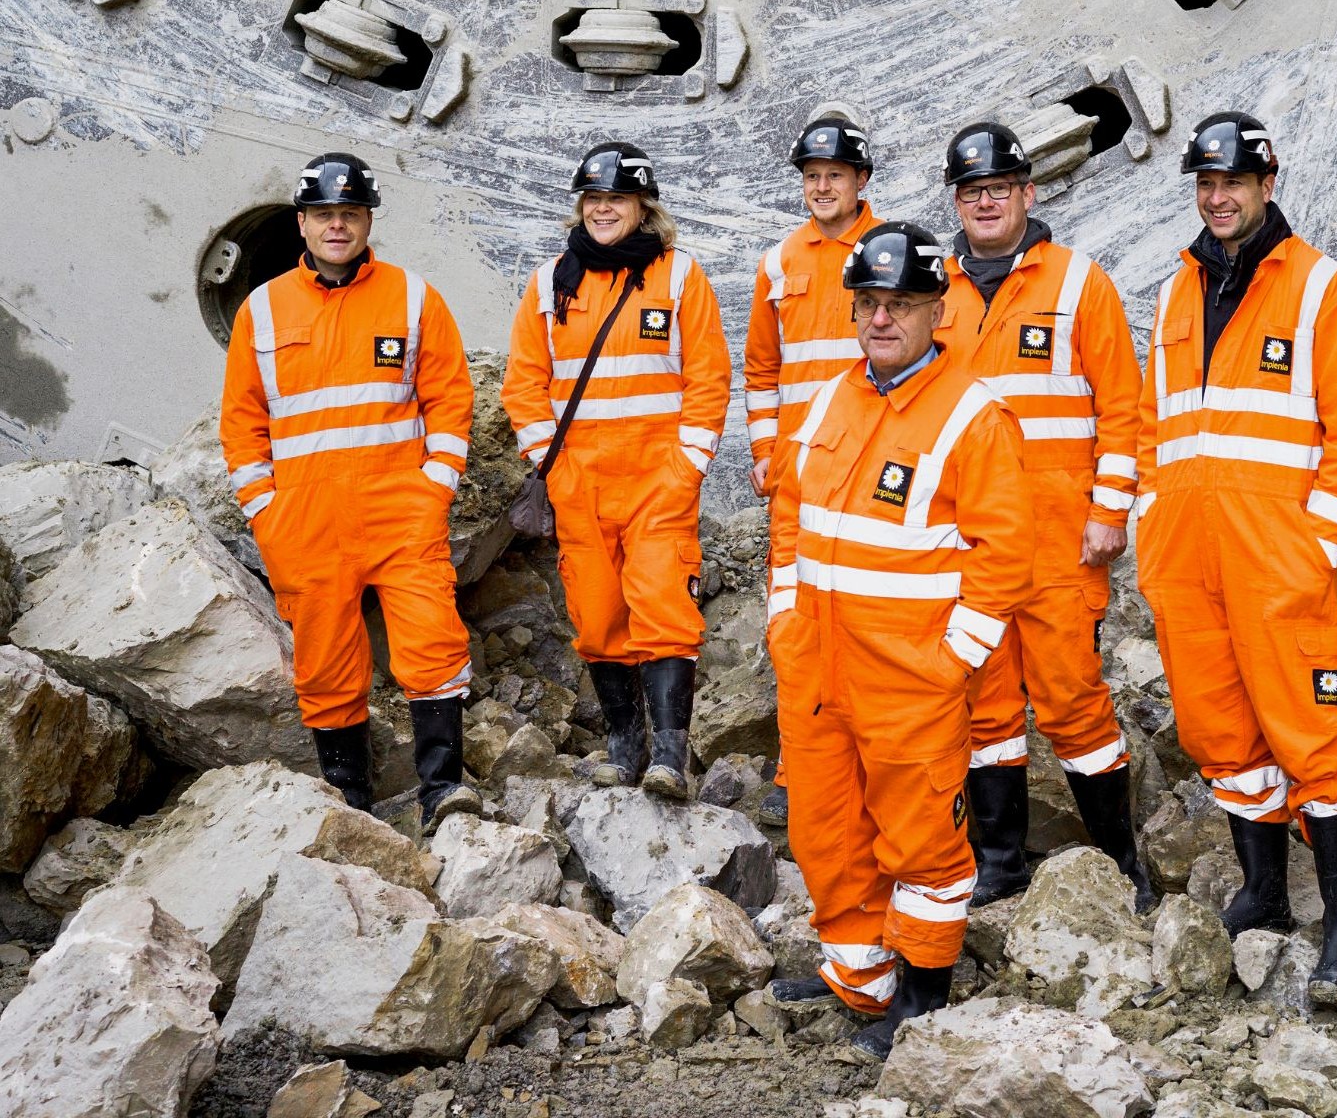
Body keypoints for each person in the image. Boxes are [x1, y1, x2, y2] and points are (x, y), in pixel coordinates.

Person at [765, 222, 1032, 1058]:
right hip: (816, 665)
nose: (882, 320)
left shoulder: (973, 414)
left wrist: (956, 655)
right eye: (870, 304)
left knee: (922, 838)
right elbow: (786, 514)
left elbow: (1007, 551)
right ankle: (858, 975)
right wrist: (782, 616)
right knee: (825, 828)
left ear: (934, 310)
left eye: (901, 306)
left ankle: (921, 990)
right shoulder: (833, 397)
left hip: (911, 674)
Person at [1135, 113, 1337, 1003]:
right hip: (1186, 558)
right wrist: (1149, 519)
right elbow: (1154, 425)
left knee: (1315, 741)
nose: (1218, 197)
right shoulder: (1174, 292)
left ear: (1267, 184)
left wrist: (1313, 548)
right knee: (1221, 734)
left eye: (1234, 182)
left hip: (1277, 560)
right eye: (1206, 184)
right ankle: (1266, 894)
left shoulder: (1322, 288)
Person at [219, 152, 479, 828]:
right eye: (324, 215)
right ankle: (350, 800)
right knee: (326, 665)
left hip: (401, 512)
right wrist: (265, 511)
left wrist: (435, 488)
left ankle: (443, 791)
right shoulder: (262, 312)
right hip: (305, 521)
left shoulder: (413, 297)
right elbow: (242, 425)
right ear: (302, 223)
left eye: (350, 214)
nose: (337, 226)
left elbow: (451, 398)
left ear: (368, 221)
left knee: (431, 645)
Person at [935, 121, 1151, 910]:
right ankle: (999, 862)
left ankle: (1120, 862)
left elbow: (1123, 406)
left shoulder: (1076, 282)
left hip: (1064, 541)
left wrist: (1110, 510)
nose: (985, 202)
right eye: (970, 192)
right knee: (986, 704)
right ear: (956, 203)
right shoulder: (937, 293)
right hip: (972, 545)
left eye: (998, 189)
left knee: (1072, 700)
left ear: (1029, 193)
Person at [501, 141, 732, 798]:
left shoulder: (681, 277)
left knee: (663, 609)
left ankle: (668, 758)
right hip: (581, 484)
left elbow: (709, 379)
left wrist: (686, 467)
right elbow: (523, 383)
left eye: (617, 200)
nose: (604, 211)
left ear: (643, 206)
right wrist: (554, 465)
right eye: (594, 200)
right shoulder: (552, 282)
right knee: (598, 617)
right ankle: (623, 748)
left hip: (659, 480)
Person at [742, 113, 880, 830]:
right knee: (794, 626)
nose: (822, 188)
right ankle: (799, 769)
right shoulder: (778, 262)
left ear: (861, 181)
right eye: (811, 177)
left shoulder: (892, 255)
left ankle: (870, 763)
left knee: (870, 621)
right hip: (799, 483)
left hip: (872, 477)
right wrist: (766, 452)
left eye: (835, 176)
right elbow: (762, 369)